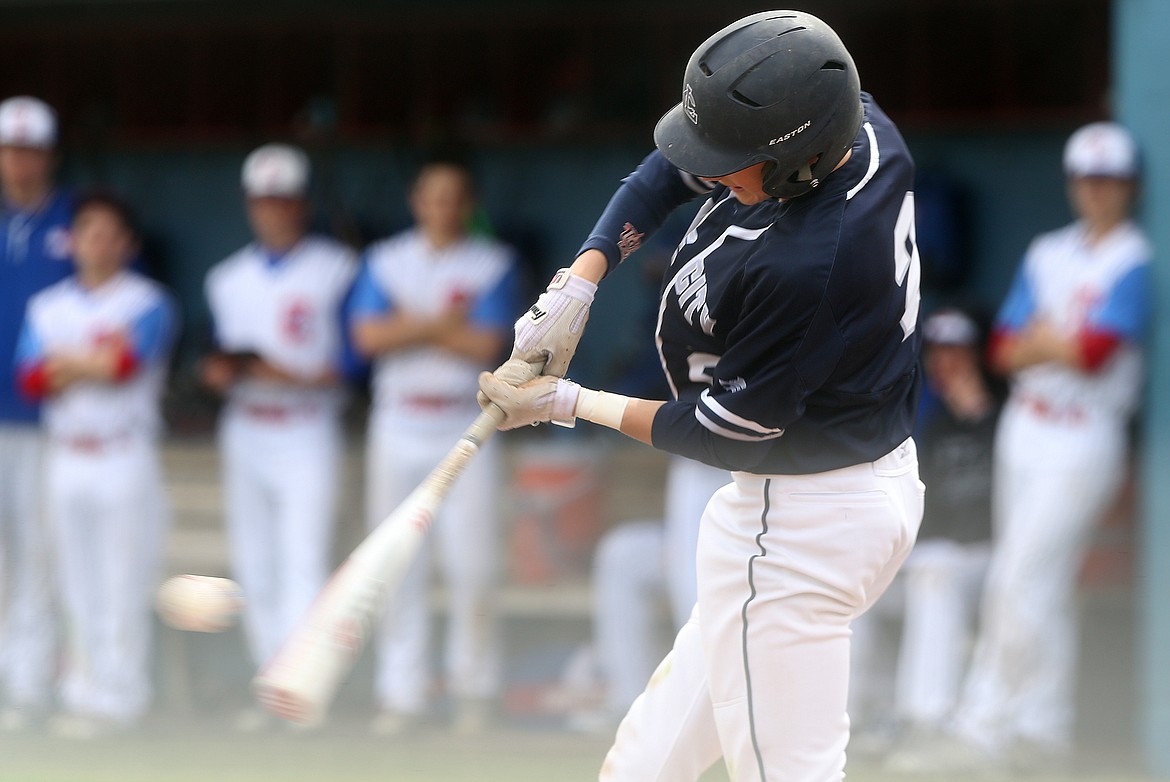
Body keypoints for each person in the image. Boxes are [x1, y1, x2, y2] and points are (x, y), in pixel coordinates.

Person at [476, 11, 925, 781]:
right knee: (645, 766)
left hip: (796, 525)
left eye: (731, 160)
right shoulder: (855, 129)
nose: (709, 171)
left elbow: (728, 429)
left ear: (795, 163)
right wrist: (579, 282)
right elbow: (665, 174)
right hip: (846, 487)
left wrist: (567, 402)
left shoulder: (810, 264)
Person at [925, 121, 1152, 775]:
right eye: (1087, 178)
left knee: (1019, 576)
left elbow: (1094, 351)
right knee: (1037, 585)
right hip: (1027, 423)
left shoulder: (1133, 257)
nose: (1097, 190)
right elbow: (1001, 349)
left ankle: (982, 723)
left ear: (1129, 186)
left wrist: (1050, 342)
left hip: (1085, 430)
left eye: (1109, 179)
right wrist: (1054, 342)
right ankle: (1042, 728)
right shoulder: (1050, 250)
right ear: (1072, 183)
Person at [345, 159, 521, 736]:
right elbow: (367, 337)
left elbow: (487, 343)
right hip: (398, 421)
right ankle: (402, 693)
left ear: (468, 203)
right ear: (416, 200)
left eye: (454, 196)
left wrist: (410, 325)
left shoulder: (490, 262)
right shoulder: (386, 259)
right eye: (432, 195)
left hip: (466, 421)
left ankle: (474, 689)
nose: (442, 206)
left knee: (473, 565)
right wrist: (443, 323)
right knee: (397, 561)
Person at [200, 143, 357, 730]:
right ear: (249, 204)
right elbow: (218, 354)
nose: (274, 210)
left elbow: (353, 364)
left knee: (303, 560)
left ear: (302, 203)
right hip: (246, 427)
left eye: (284, 199)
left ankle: (302, 690)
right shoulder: (227, 278)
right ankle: (272, 687)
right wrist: (220, 372)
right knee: (255, 564)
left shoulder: (336, 266)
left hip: (306, 425)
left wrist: (288, 374)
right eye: (264, 201)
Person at [14, 191, 177, 738]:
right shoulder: (48, 305)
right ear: (74, 240)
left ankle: (122, 695)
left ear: (127, 243)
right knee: (74, 583)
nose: (98, 243)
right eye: (88, 232)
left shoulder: (147, 300)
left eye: (110, 233)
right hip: (68, 454)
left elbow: (125, 364)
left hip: (123, 450)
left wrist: (67, 360)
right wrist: (91, 361)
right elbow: (32, 380)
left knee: (121, 580)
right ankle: (83, 693)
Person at [847, 306, 998, 767]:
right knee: (849, 582)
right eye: (938, 353)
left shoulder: (1007, 419)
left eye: (958, 352)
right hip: (933, 564)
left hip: (988, 564)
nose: (946, 364)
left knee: (936, 569)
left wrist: (981, 414)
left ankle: (926, 722)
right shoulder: (928, 426)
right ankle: (854, 717)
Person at [0, 95, 73, 732]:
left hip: (49, 419)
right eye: (10, 149)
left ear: (47, 154)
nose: (19, 161)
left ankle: (28, 687)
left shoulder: (78, 220)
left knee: (35, 559)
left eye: (30, 150)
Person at [576, 456, 730, 733]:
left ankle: (718, 716)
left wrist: (574, 408)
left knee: (698, 600)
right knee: (624, 556)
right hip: (695, 483)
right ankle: (631, 708)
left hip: (750, 494)